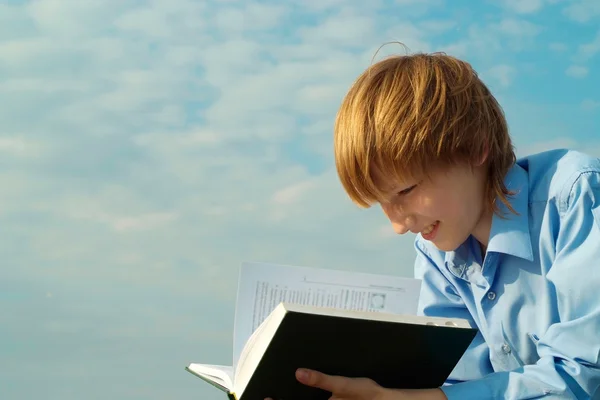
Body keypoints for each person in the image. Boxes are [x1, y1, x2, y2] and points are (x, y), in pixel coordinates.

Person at [269, 51, 600, 399]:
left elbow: (586, 374)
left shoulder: (576, 200)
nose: (398, 225)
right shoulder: (437, 254)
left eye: (406, 190)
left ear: (475, 148)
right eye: (382, 203)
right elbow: (454, 384)